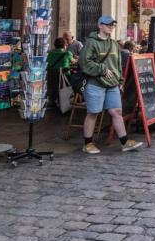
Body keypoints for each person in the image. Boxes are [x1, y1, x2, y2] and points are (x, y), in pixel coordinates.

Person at [79, 16, 142, 154]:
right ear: (100, 25)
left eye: (113, 24)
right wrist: (102, 69)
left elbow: (118, 65)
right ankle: (87, 144)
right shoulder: (91, 43)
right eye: (108, 24)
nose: (111, 26)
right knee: (93, 113)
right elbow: (84, 63)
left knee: (116, 112)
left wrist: (120, 81)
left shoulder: (114, 44)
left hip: (112, 84)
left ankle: (125, 142)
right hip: (95, 83)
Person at [45, 37, 73, 109]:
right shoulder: (68, 53)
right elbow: (73, 61)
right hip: (64, 75)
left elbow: (48, 62)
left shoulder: (50, 53)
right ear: (64, 45)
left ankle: (53, 102)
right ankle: (65, 103)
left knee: (54, 88)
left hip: (52, 75)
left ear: (55, 45)